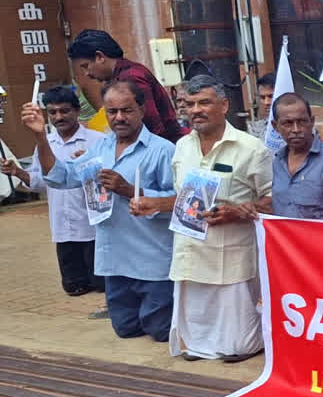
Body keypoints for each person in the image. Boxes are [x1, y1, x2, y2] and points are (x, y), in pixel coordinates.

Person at [132, 75, 273, 361]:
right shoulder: (182, 147)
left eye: (204, 103)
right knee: (194, 323)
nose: (196, 110)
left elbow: (274, 201)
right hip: (190, 248)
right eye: (190, 104)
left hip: (231, 251)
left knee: (238, 343)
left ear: (224, 105)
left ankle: (242, 346)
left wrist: (236, 212)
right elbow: (184, 197)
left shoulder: (251, 148)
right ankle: (198, 346)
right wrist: (155, 204)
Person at [35, 80, 177, 341]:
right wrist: (40, 138)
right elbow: (61, 178)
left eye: (127, 110)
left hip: (152, 262)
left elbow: (179, 203)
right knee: (126, 330)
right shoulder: (100, 147)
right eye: (112, 112)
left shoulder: (163, 150)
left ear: (142, 110)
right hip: (114, 261)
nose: (119, 118)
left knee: (160, 332)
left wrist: (129, 190)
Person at [1, 86, 107, 296]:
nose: (59, 117)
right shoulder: (45, 143)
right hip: (64, 231)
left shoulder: (98, 141)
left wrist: (91, 164)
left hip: (93, 229)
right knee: (75, 290)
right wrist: (18, 172)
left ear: (77, 111)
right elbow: (42, 182)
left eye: (64, 111)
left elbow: (109, 181)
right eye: (53, 112)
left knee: (103, 287)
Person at [66, 29, 181, 142]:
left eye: (86, 66)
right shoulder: (121, 76)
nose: (87, 74)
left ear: (100, 57)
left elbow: (153, 130)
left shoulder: (131, 78)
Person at [248, 72, 275, 140]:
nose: (266, 102)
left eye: (271, 96)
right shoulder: (255, 129)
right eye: (262, 97)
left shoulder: (298, 126)